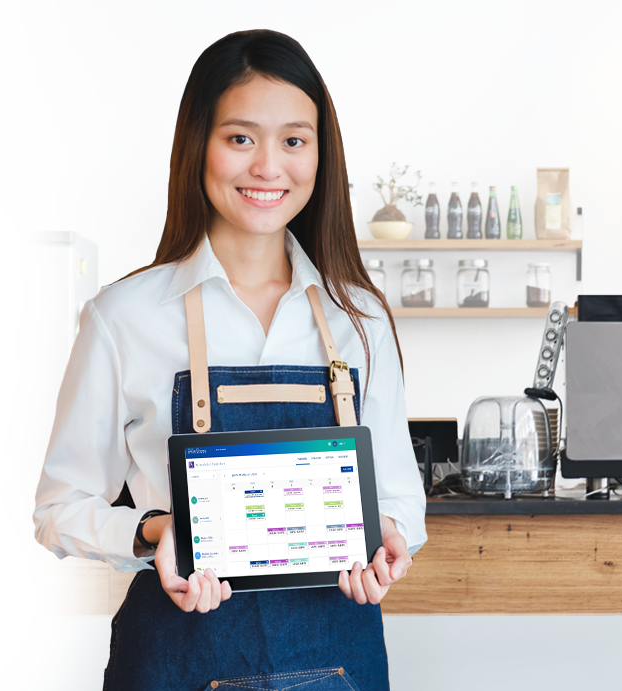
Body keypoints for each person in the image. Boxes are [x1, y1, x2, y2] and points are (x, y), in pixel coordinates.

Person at [31, 29, 426, 691]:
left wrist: (382, 537)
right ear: (198, 147)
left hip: (336, 662)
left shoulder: (359, 319)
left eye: (294, 141)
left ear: (321, 157)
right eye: (241, 137)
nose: (269, 167)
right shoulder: (123, 316)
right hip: (176, 659)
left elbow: (403, 509)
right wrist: (158, 530)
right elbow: (58, 508)